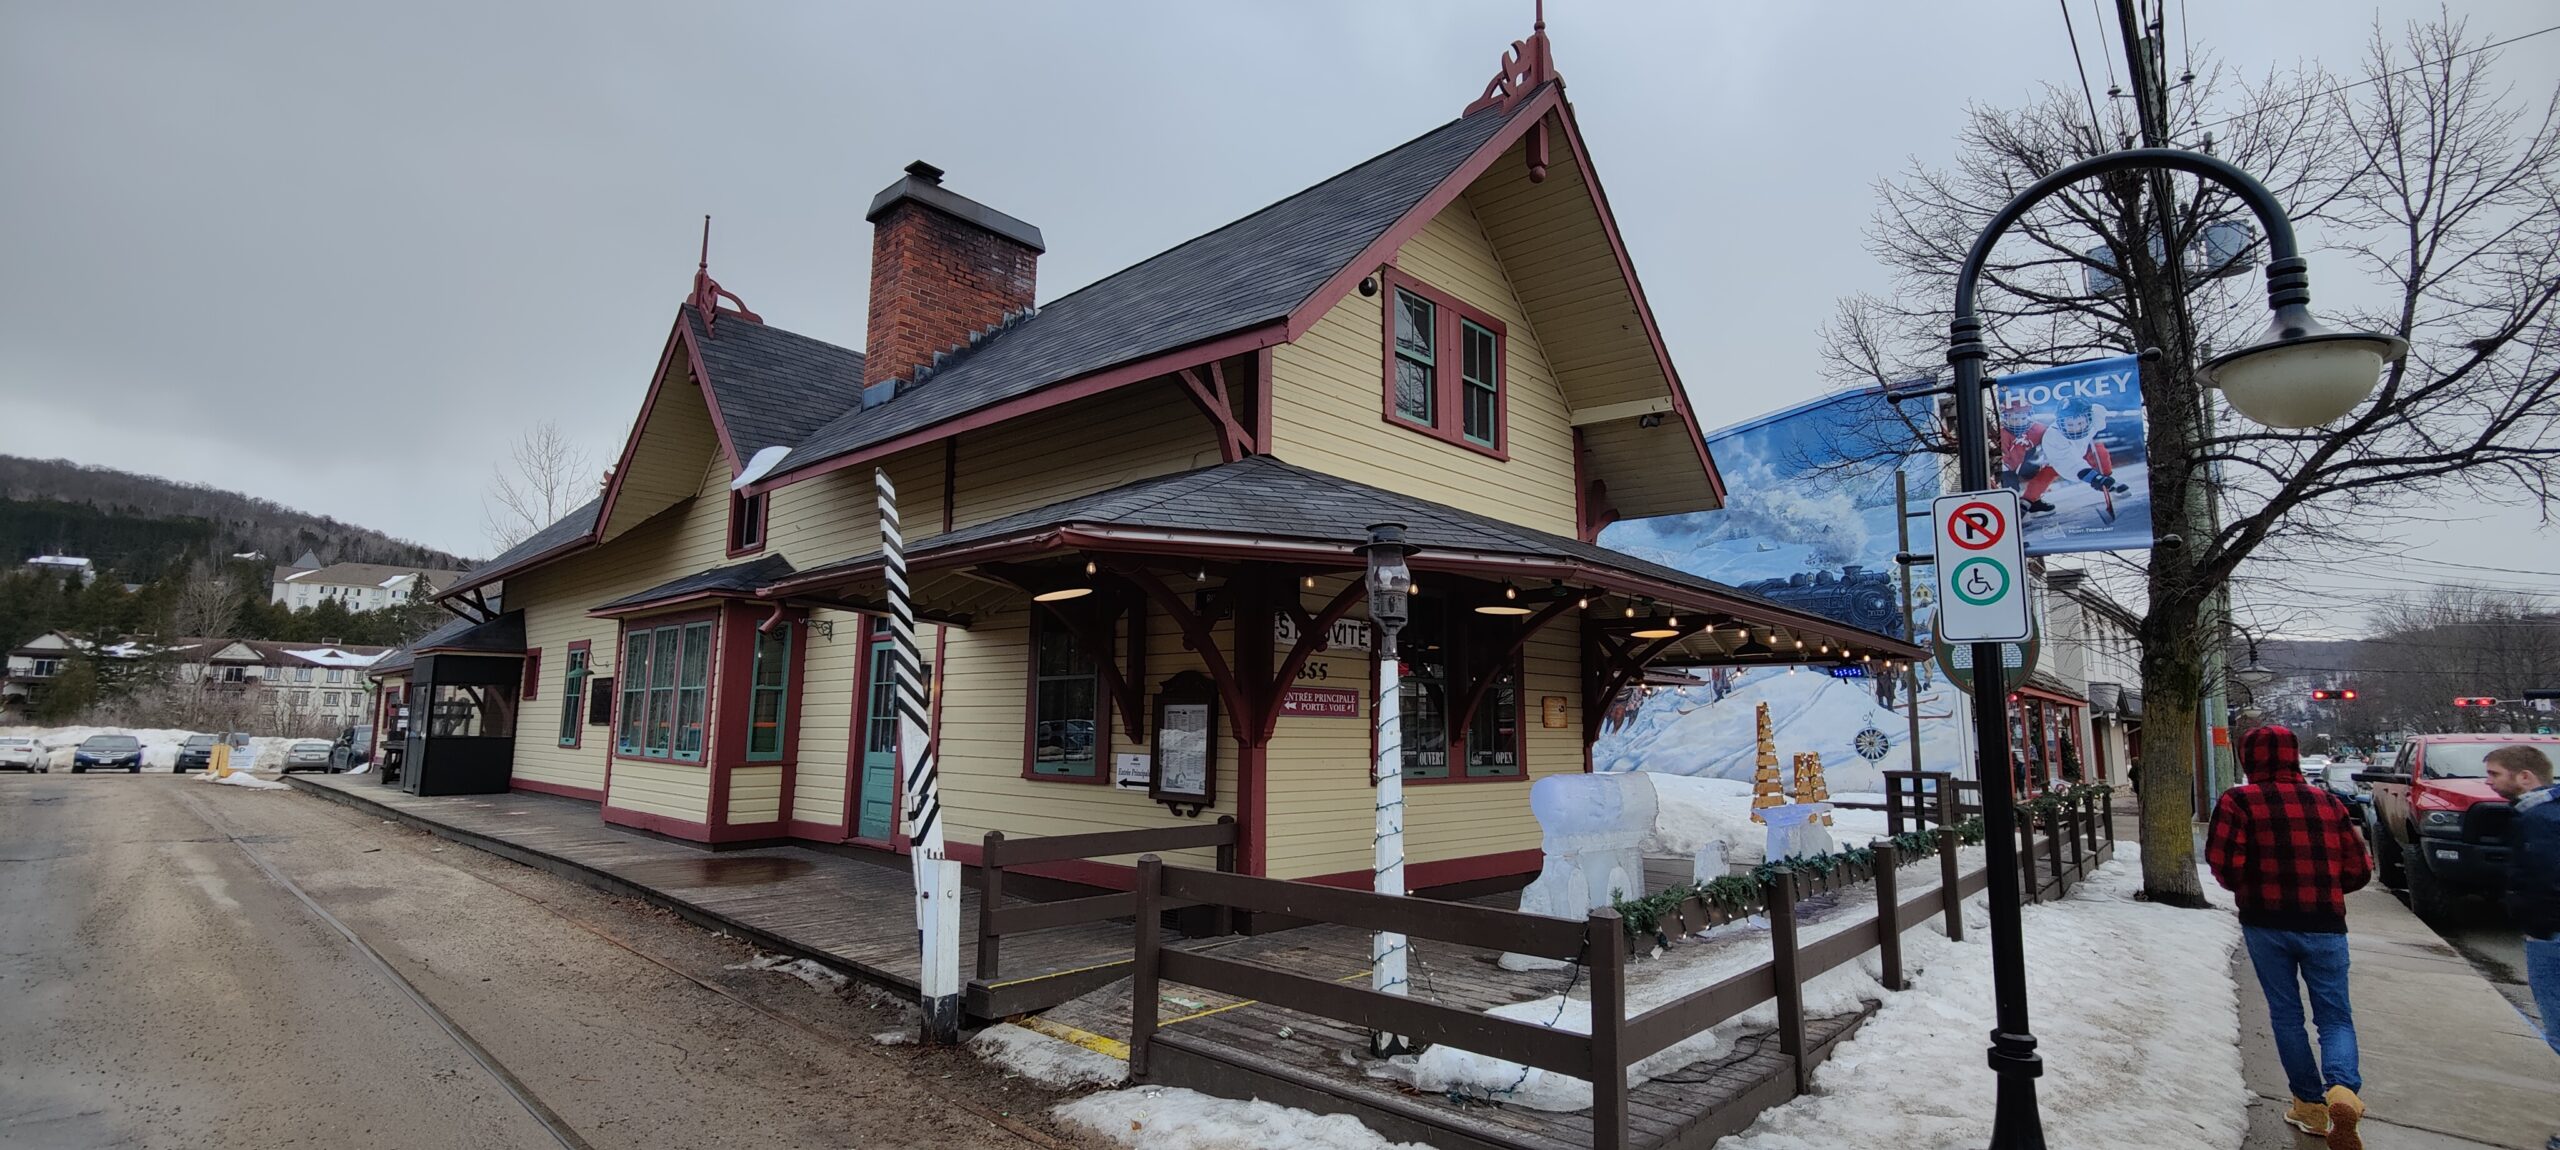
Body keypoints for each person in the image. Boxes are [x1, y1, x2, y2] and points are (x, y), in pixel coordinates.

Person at [2207, 724, 2372, 1149]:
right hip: (2325, 922)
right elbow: (2359, 868)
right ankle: (2343, 1092)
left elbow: (2224, 864)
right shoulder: (2328, 803)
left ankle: (2310, 1106)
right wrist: (2326, 887)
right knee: (2335, 1016)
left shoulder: (2238, 801)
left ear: (2248, 758)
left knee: (2286, 1015)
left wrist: (2252, 885)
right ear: (2294, 755)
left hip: (2266, 922)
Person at [2484, 744, 2560, 1061]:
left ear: (2525, 777)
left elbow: (2545, 876)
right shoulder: (2544, 812)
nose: (2488, 781)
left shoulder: (2540, 820)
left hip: (2549, 936)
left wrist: (2536, 924)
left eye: (2495, 774)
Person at [2018, 397, 2131, 514]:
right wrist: (2093, 478)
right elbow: (2069, 465)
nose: (2076, 429)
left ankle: (2108, 482)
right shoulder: (2053, 436)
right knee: (2049, 471)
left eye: (2080, 423)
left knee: (2100, 450)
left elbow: (2099, 414)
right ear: (2060, 422)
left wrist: (2102, 478)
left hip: (2081, 449)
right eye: (2070, 425)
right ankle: (2028, 500)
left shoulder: (2095, 416)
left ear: (2089, 418)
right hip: (2057, 456)